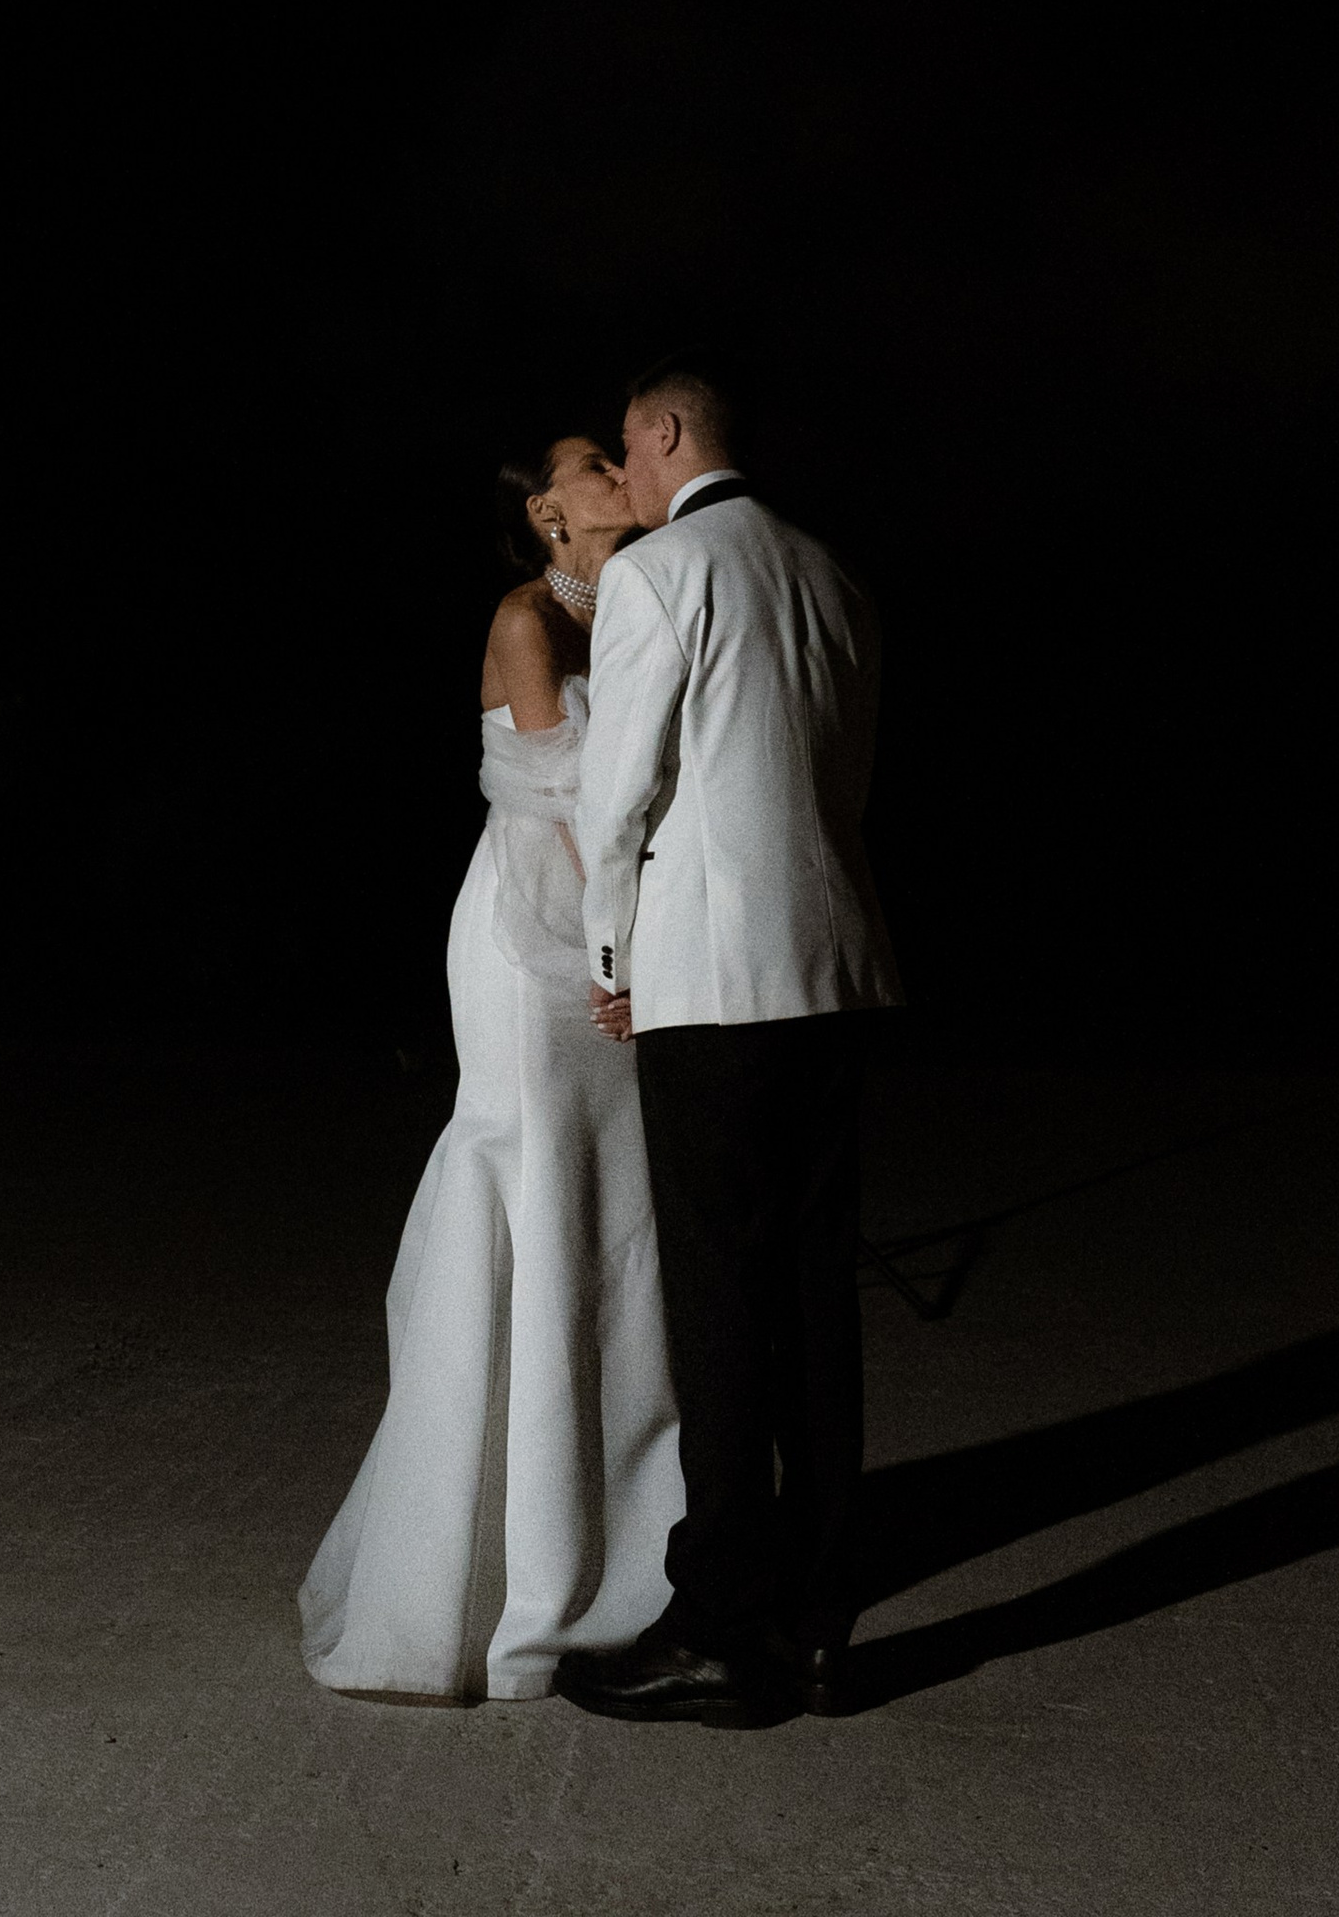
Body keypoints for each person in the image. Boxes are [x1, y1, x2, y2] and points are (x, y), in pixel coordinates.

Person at [298, 432, 684, 1701]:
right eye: (590, 463)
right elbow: (574, 807)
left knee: (605, 1225)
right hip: (533, 949)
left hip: (603, 936)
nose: (618, 472)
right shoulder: (526, 622)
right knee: (527, 1198)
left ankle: (620, 1548)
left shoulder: (633, 599)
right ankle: (504, 1585)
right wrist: (621, 959)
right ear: (543, 511)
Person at [558, 360, 902, 1729]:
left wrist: (609, 957)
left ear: (668, 433)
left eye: (630, 455)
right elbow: (848, 779)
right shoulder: (833, 574)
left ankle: (718, 1623)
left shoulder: (661, 574)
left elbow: (621, 782)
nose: (624, 487)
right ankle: (824, 1621)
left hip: (710, 980)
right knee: (818, 1302)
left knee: (720, 1307)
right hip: (837, 969)